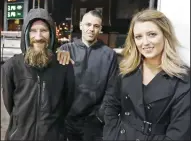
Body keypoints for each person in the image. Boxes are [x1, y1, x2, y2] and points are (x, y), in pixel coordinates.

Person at [103, 9, 190, 140]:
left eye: (152, 34)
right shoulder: (126, 68)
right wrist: (111, 135)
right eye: (138, 37)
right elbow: (110, 105)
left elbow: (179, 133)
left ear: (165, 35)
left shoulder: (183, 79)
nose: (145, 42)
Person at [2, 8, 75, 140]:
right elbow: (9, 105)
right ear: (26, 33)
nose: (38, 37)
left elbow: (67, 103)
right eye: (33, 31)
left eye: (44, 30)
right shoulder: (11, 67)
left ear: (51, 34)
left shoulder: (64, 66)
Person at [57, 10, 118, 141]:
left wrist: (100, 116)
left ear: (100, 29)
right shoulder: (66, 50)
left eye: (96, 26)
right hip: (67, 120)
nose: (91, 29)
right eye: (88, 24)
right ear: (80, 25)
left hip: (93, 123)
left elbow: (112, 89)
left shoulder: (109, 55)